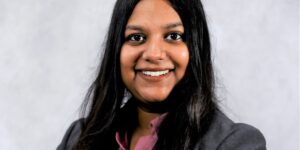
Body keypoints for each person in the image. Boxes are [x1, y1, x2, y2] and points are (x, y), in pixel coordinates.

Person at [57, 0, 266, 149]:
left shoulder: (236, 143)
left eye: (173, 36)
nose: (154, 54)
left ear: (195, 49)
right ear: (116, 50)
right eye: (136, 37)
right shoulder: (78, 137)